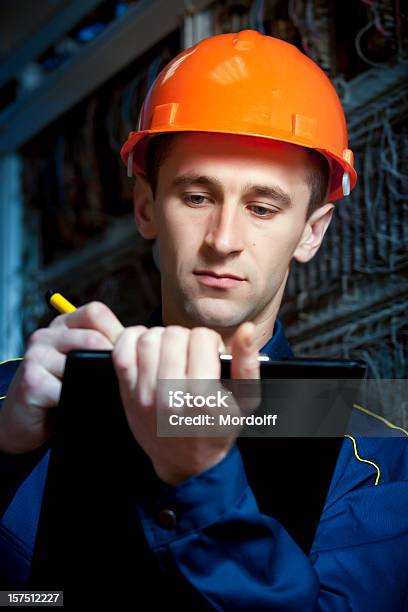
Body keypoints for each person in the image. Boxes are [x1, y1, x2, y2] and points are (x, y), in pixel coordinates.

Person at [1, 30, 407, 610]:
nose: (223, 241)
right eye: (196, 197)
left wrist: (201, 485)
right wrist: (9, 456)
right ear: (146, 207)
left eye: (262, 208)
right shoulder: (16, 398)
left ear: (312, 231)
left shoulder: (379, 464)